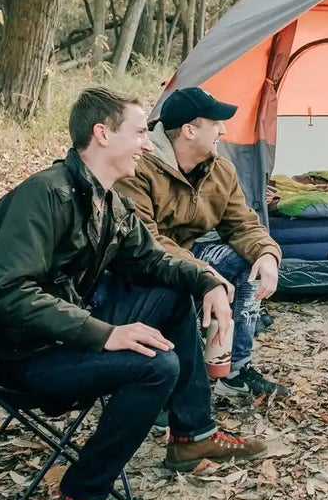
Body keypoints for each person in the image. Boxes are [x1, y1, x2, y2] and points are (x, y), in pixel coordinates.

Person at [0, 87, 266, 500]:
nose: (149, 145)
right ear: (102, 134)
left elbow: (152, 261)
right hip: (22, 354)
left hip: (63, 334)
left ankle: (193, 435)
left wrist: (205, 283)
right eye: (138, 133)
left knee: (171, 295)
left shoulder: (108, 201)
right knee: (156, 366)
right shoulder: (42, 196)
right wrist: (105, 334)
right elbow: (10, 292)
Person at [118, 86, 290, 405]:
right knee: (173, 284)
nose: (223, 130)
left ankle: (233, 370)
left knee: (246, 261)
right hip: (142, 264)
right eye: (215, 123)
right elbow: (147, 241)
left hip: (190, 254)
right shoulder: (137, 167)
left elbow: (242, 223)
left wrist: (267, 253)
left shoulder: (219, 169)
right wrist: (204, 274)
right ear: (189, 130)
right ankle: (163, 381)